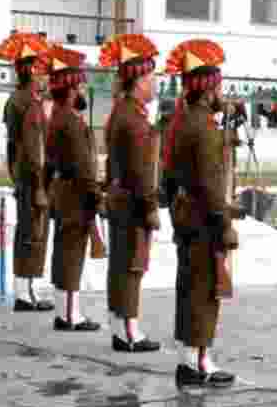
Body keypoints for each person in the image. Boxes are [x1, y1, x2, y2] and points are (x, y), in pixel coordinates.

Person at [164, 39, 239, 386]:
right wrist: (224, 223)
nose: (221, 92)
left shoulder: (184, 121)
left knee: (189, 287)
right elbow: (211, 183)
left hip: (186, 216)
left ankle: (190, 358)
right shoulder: (204, 127)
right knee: (204, 290)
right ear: (208, 91)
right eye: (218, 86)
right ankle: (198, 363)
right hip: (203, 220)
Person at [99, 33, 162, 353]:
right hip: (131, 203)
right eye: (151, 77)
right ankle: (128, 331)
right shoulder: (133, 119)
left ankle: (121, 326)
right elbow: (141, 171)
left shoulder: (124, 111)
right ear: (138, 81)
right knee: (130, 266)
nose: (155, 83)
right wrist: (150, 205)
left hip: (120, 199)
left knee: (122, 264)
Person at [40, 46, 102, 333]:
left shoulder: (59, 117)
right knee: (72, 253)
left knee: (66, 251)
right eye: (80, 83)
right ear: (72, 87)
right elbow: (83, 165)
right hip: (76, 194)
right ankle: (69, 315)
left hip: (65, 191)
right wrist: (96, 195)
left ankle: (68, 310)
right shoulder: (70, 121)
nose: (83, 88)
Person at [0, 32, 55, 312]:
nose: (46, 78)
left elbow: (13, 148)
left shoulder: (17, 100)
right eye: (43, 71)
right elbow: (33, 150)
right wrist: (39, 185)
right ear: (32, 71)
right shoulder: (27, 103)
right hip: (33, 179)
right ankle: (24, 293)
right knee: (31, 234)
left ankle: (26, 290)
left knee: (30, 232)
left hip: (25, 176)